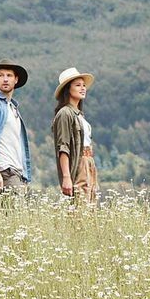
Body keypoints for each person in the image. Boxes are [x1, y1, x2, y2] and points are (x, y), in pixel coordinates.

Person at [0, 60, 33, 195]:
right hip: (3, 172)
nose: (5, 79)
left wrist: (23, 177)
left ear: (16, 80)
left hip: (15, 173)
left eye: (9, 75)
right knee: (14, 215)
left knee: (10, 216)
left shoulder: (12, 107)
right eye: (1, 75)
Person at [51, 66, 98, 203]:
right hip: (78, 164)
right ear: (68, 89)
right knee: (79, 206)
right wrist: (66, 176)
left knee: (90, 206)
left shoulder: (80, 115)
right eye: (78, 85)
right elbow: (63, 147)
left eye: (84, 85)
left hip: (89, 162)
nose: (83, 88)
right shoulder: (65, 113)